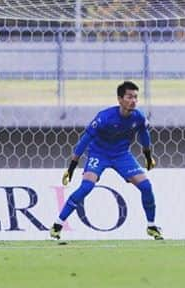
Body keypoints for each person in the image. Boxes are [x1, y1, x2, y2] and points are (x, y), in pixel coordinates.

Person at [50, 80, 162, 240]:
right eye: (129, 97)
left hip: (122, 155)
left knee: (146, 186)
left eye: (136, 97)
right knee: (86, 187)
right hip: (99, 154)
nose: (133, 101)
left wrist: (148, 156)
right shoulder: (105, 117)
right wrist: (72, 167)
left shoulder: (138, 117)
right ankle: (57, 224)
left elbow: (144, 134)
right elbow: (85, 139)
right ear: (120, 99)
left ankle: (151, 226)